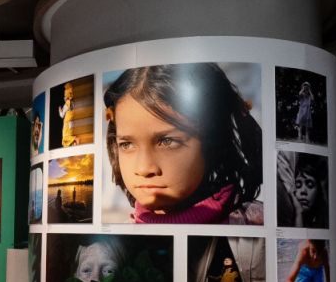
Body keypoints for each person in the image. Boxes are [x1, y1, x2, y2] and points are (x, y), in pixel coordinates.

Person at [103, 63, 263, 224]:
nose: (144, 169)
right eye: (127, 144)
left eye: (167, 141)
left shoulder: (254, 227)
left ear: (212, 140)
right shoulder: (112, 241)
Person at [276, 152, 328, 229]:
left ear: (318, 192)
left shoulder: (323, 222)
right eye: (298, 185)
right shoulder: (286, 217)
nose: (303, 191)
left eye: (310, 185)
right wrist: (298, 212)